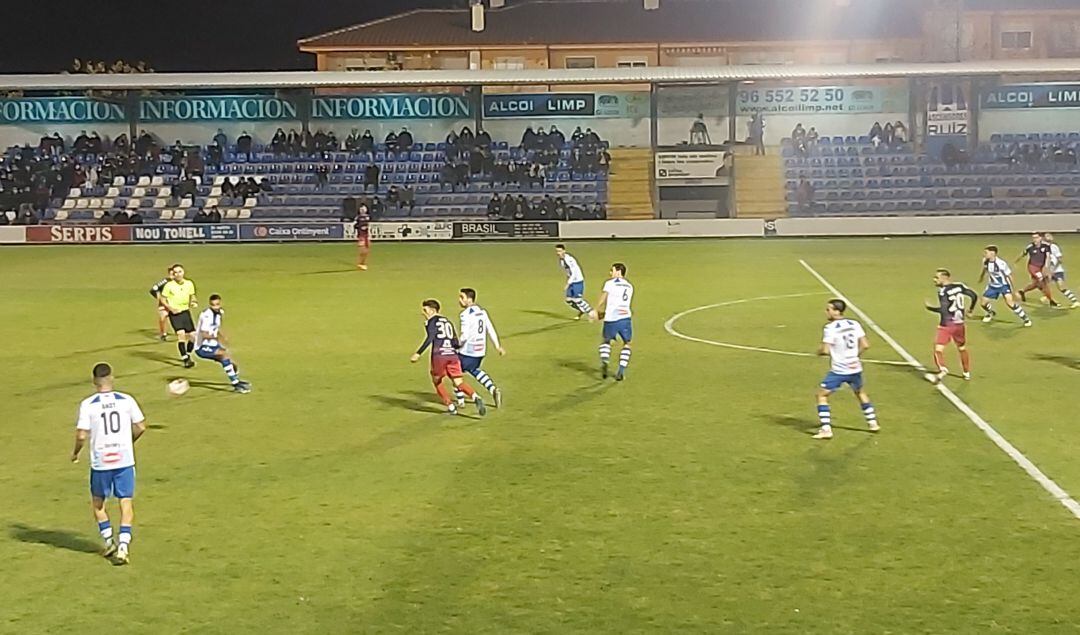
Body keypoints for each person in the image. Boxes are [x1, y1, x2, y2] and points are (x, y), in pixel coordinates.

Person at [71, 362, 147, 565]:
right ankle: (123, 547)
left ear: (94, 381)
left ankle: (109, 542)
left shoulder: (88, 404)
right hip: (124, 459)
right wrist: (128, 442)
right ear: (111, 378)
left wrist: (76, 453)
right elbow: (140, 426)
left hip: (101, 462)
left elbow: (81, 435)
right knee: (125, 502)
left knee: (98, 504)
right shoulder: (126, 400)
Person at [813, 299, 879, 440]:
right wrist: (854, 356)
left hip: (839, 370)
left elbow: (825, 350)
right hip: (855, 368)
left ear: (837, 311)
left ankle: (826, 429)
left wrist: (818, 352)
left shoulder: (830, 328)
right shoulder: (854, 324)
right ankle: (873, 423)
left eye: (829, 309)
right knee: (860, 392)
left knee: (821, 395)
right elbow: (865, 345)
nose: (826, 312)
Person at [410, 299, 487, 417]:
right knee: (458, 381)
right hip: (452, 355)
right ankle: (475, 396)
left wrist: (418, 353)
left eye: (425, 310)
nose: (423, 313)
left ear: (432, 310)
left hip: (439, 355)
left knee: (437, 380)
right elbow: (455, 342)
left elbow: (430, 338)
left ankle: (450, 406)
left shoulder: (431, 322)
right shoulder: (448, 322)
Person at [453, 288, 505, 408]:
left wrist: (457, 345)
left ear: (469, 300)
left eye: (462, 297)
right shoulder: (482, 312)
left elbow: (465, 335)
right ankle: (493, 389)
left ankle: (460, 401)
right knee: (475, 370)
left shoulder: (465, 315)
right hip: (480, 351)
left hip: (467, 351)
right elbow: (490, 329)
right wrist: (497, 346)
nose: (459, 300)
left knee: (454, 373)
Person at [926, 268, 979, 382]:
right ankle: (966, 373)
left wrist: (930, 308)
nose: (934, 280)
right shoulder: (959, 286)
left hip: (947, 324)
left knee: (938, 349)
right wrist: (970, 310)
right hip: (960, 324)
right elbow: (974, 295)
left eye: (937, 277)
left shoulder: (943, 292)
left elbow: (944, 310)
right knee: (962, 348)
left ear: (944, 278)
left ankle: (943, 369)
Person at [194, 294, 252, 393]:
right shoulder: (206, 315)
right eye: (213, 305)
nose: (215, 307)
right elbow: (204, 334)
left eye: (217, 304)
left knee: (229, 362)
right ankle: (236, 384)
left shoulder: (220, 312)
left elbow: (216, 328)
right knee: (224, 355)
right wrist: (217, 337)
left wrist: (222, 337)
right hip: (202, 347)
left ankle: (236, 381)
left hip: (212, 344)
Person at [589, 263, 634, 381]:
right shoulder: (629, 286)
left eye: (612, 270)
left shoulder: (609, 283)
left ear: (619, 272)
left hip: (611, 319)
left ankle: (604, 361)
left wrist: (596, 310)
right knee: (627, 343)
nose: (610, 273)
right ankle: (621, 371)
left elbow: (604, 297)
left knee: (606, 341)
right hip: (625, 318)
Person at [978, 245, 1033, 326]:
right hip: (992, 286)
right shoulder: (985, 261)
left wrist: (1014, 290)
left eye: (986, 252)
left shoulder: (1001, 264)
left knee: (1010, 304)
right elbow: (985, 268)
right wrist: (981, 277)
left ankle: (1026, 319)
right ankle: (990, 313)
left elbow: (1009, 276)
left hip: (1003, 286)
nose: (984, 254)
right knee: (983, 303)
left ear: (993, 253)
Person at [158, 264, 198, 368]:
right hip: (175, 313)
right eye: (176, 272)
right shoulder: (169, 286)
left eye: (180, 271)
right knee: (181, 335)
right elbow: (162, 299)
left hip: (185, 312)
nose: (178, 274)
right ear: (173, 274)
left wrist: (193, 301)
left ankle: (188, 354)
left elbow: (192, 296)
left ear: (183, 272)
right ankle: (185, 359)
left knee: (193, 336)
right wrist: (171, 309)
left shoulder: (189, 284)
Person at [1015, 232, 1058, 306]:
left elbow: (1048, 257)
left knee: (1035, 284)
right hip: (1033, 267)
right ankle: (1051, 300)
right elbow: (1023, 254)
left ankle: (1022, 291)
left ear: (1040, 238)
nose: (1035, 239)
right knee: (1043, 283)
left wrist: (1046, 267)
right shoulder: (1030, 246)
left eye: (1036, 237)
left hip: (1041, 267)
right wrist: (1016, 261)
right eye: (1033, 238)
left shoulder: (1046, 246)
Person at [1044, 232, 1080, 308]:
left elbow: (1059, 259)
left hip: (1057, 271)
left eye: (1049, 236)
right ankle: (1047, 297)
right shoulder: (1043, 248)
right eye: (1046, 236)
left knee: (1061, 287)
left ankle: (1075, 301)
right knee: (1044, 284)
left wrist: (1053, 270)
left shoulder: (1054, 247)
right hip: (1048, 271)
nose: (1048, 238)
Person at [556, 244, 592, 319]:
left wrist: (568, 283)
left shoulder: (569, 259)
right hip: (572, 281)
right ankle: (581, 310)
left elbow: (574, 272)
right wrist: (568, 280)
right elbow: (568, 272)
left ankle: (592, 313)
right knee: (568, 300)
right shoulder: (561, 261)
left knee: (578, 300)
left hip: (577, 281)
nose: (558, 253)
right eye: (557, 251)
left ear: (564, 251)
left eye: (559, 251)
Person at [148, 269, 172, 342]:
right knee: (163, 318)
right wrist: (159, 298)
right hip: (164, 303)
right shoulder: (165, 281)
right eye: (172, 274)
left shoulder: (181, 283)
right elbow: (154, 289)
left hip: (176, 303)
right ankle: (163, 334)